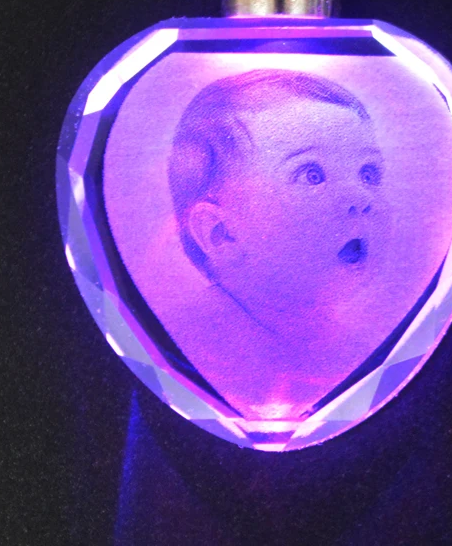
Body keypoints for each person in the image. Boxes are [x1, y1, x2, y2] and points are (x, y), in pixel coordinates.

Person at [165, 69, 393, 418]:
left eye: (368, 173)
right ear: (221, 234)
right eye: (312, 175)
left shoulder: (365, 350)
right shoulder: (184, 349)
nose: (360, 198)